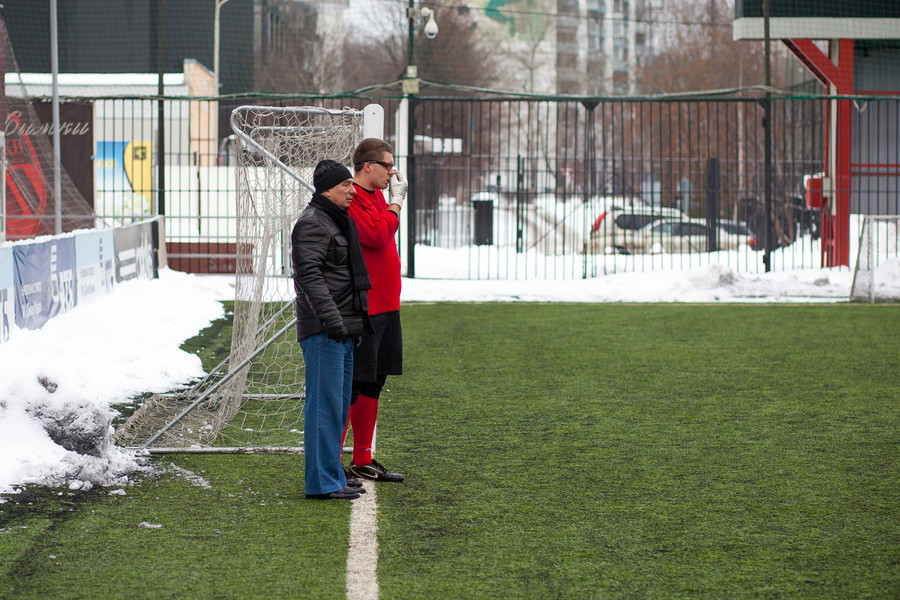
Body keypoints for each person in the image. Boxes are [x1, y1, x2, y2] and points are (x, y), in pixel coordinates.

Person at [292, 159, 373, 500]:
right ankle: (322, 483)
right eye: (346, 186)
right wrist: (333, 320)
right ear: (327, 189)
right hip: (327, 329)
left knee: (338, 407)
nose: (352, 191)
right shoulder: (312, 223)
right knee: (324, 407)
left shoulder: (335, 220)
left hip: (343, 326)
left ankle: (333, 474)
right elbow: (308, 277)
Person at [342, 138, 407, 483]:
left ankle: (362, 458)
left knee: (374, 381)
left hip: (388, 304)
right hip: (366, 306)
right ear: (368, 166)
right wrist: (396, 202)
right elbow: (377, 236)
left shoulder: (377, 196)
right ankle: (332, 463)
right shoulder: (352, 197)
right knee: (353, 384)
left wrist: (391, 201)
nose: (392, 172)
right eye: (387, 165)